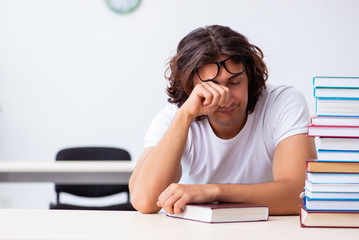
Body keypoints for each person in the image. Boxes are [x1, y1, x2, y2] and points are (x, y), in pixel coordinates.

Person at [129, 25, 317, 215]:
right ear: (190, 86)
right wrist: (185, 116)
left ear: (249, 77)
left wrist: (212, 191)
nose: (225, 97)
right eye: (210, 87)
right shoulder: (174, 117)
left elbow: (300, 195)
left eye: (234, 82)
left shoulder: (282, 103)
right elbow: (145, 201)